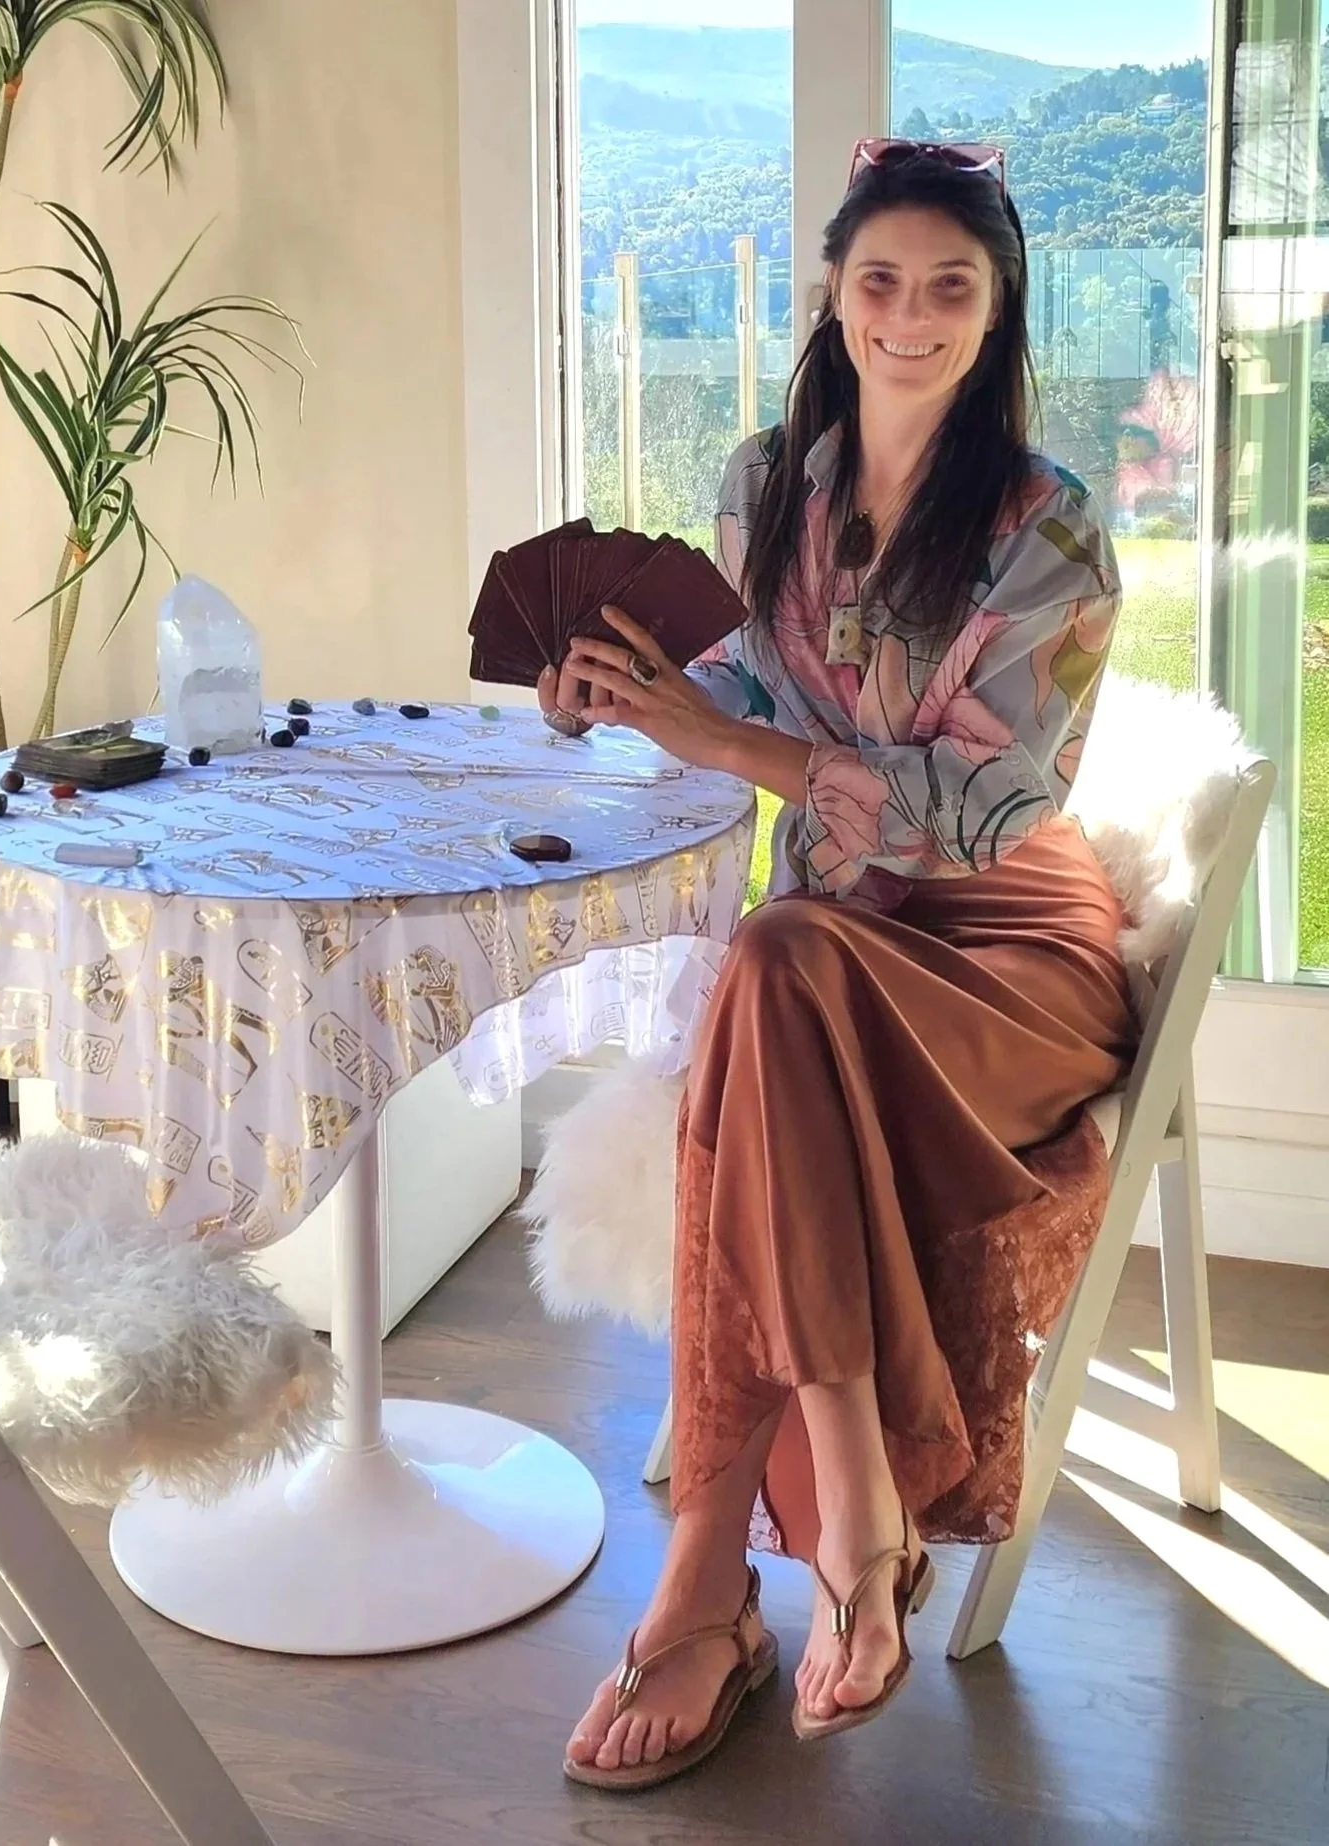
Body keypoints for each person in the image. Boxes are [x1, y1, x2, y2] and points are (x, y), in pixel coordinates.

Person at [540, 140, 1134, 1790]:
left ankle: (707, 1584)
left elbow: (984, 808)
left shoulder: (1048, 535)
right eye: (880, 280)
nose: (910, 315)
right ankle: (847, 1525)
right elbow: (736, 683)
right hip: (823, 953)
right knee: (773, 979)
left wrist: (734, 745)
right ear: (834, 292)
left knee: (769, 974)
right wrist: (614, 682)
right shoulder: (765, 487)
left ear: (995, 309)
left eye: (951, 286)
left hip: (1004, 951)